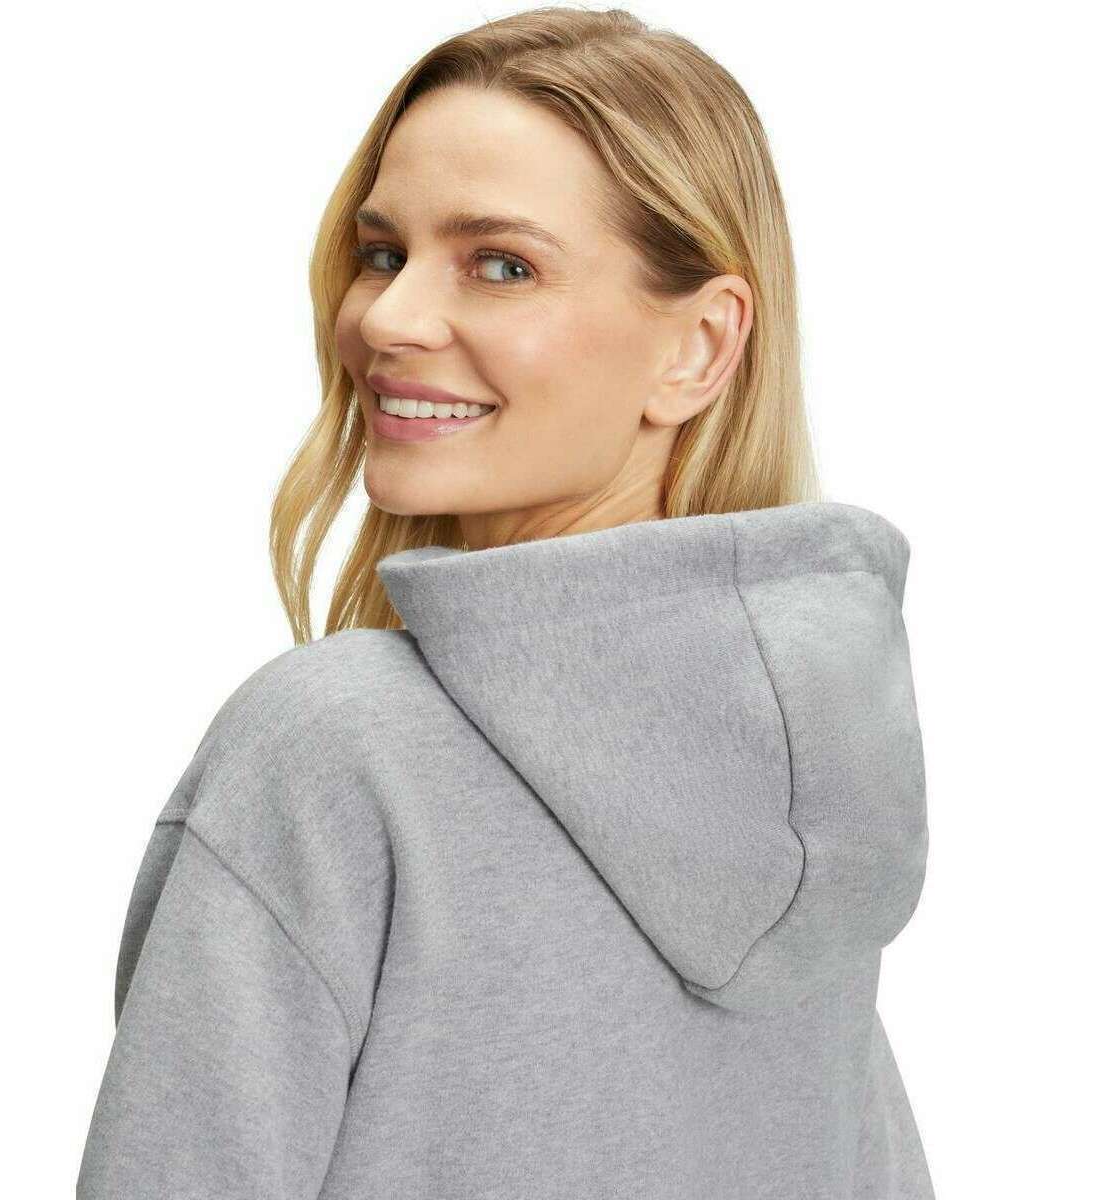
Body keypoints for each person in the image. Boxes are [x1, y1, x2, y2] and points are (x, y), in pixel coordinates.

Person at [77, 7, 934, 1197]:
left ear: (697, 347)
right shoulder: (818, 776)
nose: (386, 319)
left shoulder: (334, 749)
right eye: (384, 253)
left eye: (501, 265)